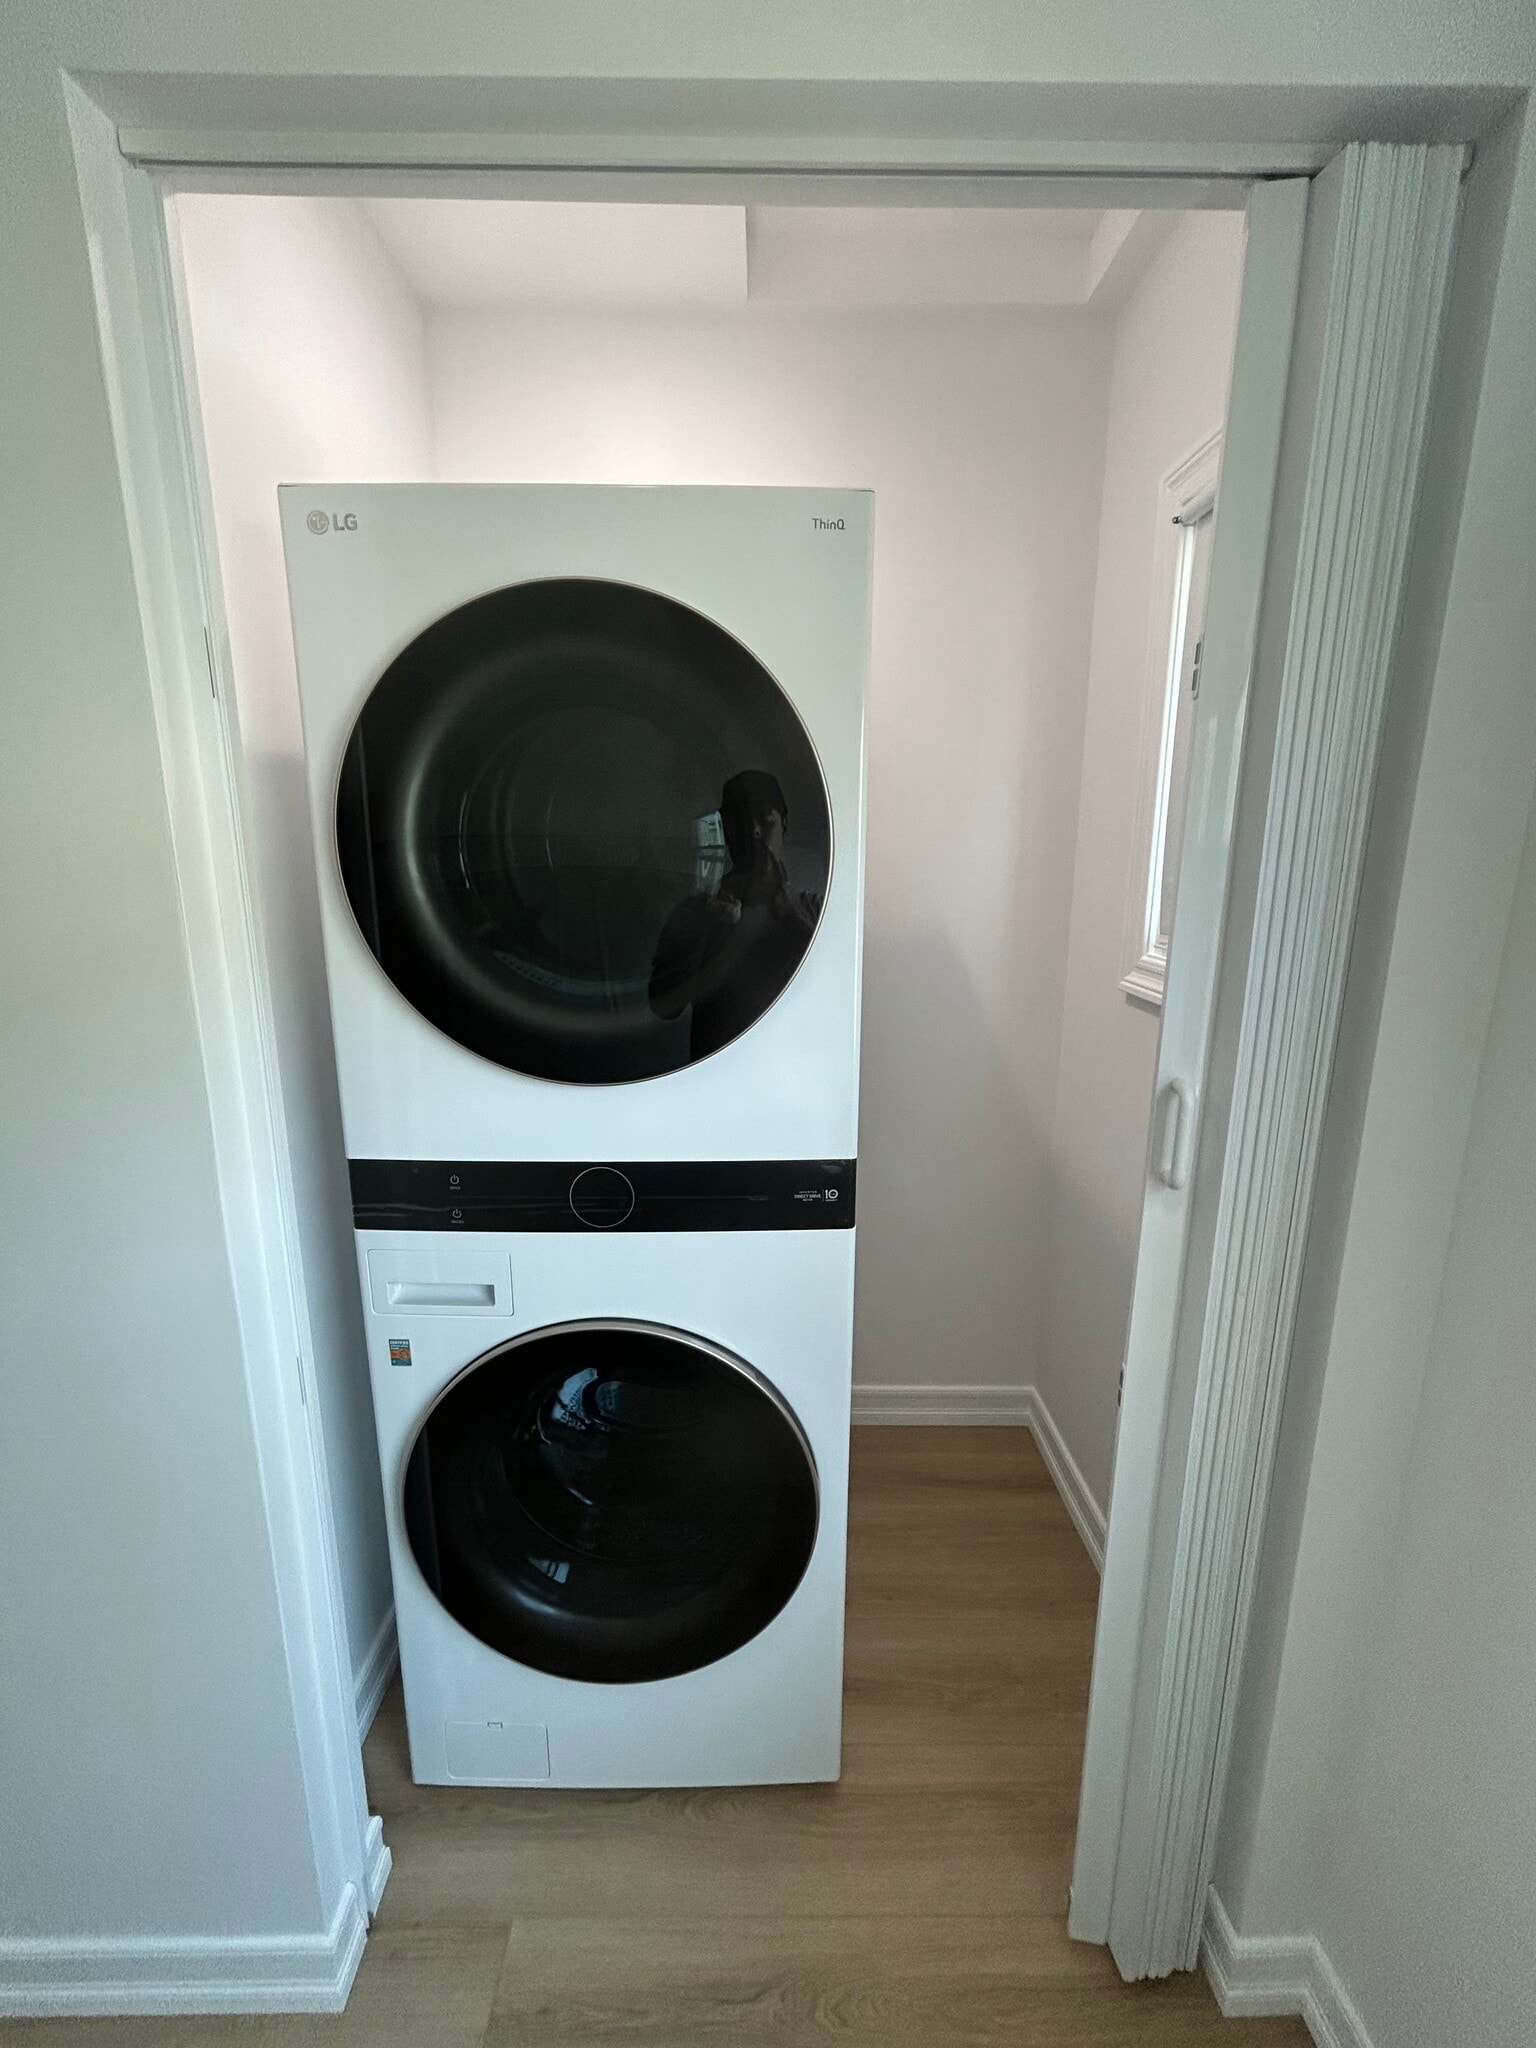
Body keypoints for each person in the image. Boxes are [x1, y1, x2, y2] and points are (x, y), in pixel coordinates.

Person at [649, 769, 820, 1060]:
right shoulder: (696, 912)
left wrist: (787, 910)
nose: (753, 832)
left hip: (794, 1078)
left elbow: (840, 992)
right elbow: (663, 1007)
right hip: (713, 1086)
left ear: (784, 824)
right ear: (727, 833)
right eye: (740, 823)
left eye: (766, 820)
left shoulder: (814, 909)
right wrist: (707, 930)